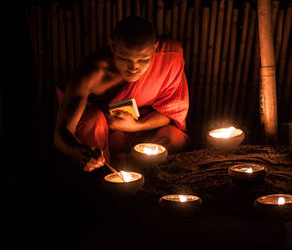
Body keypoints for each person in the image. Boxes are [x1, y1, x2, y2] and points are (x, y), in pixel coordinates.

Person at [54, 16, 190, 172]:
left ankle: (138, 172)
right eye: (124, 58)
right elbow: (62, 133)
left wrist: (136, 126)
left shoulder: (168, 58)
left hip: (142, 132)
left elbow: (171, 112)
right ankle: (104, 174)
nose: (134, 68)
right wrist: (82, 153)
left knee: (174, 138)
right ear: (112, 46)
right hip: (105, 137)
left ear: (155, 48)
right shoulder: (90, 74)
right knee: (93, 120)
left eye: (143, 60)